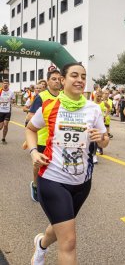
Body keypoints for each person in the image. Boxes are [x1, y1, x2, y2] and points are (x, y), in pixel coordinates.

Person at [26, 62, 109, 264]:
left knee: (60, 225)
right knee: (69, 241)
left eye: (83, 76)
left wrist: (101, 138)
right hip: (53, 179)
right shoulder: (49, 106)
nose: (80, 80)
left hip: (82, 182)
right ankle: (43, 247)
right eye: (74, 75)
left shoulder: (94, 109)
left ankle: (41, 245)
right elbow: (30, 128)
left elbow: (105, 139)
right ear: (63, 80)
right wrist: (33, 152)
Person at [27, 69, 62, 202]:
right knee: (39, 164)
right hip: (42, 138)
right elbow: (30, 116)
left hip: (57, 139)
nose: (57, 81)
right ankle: (35, 184)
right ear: (48, 81)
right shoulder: (41, 97)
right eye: (54, 78)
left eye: (59, 79)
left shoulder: (64, 96)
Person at [0, 79, 15, 144]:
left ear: (9, 84)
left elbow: (14, 101)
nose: (5, 84)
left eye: (7, 83)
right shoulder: (0, 91)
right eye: (4, 83)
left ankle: (3, 138)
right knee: (0, 127)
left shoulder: (11, 92)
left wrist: (12, 101)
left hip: (7, 111)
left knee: (6, 125)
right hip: (0, 111)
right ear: (2, 84)